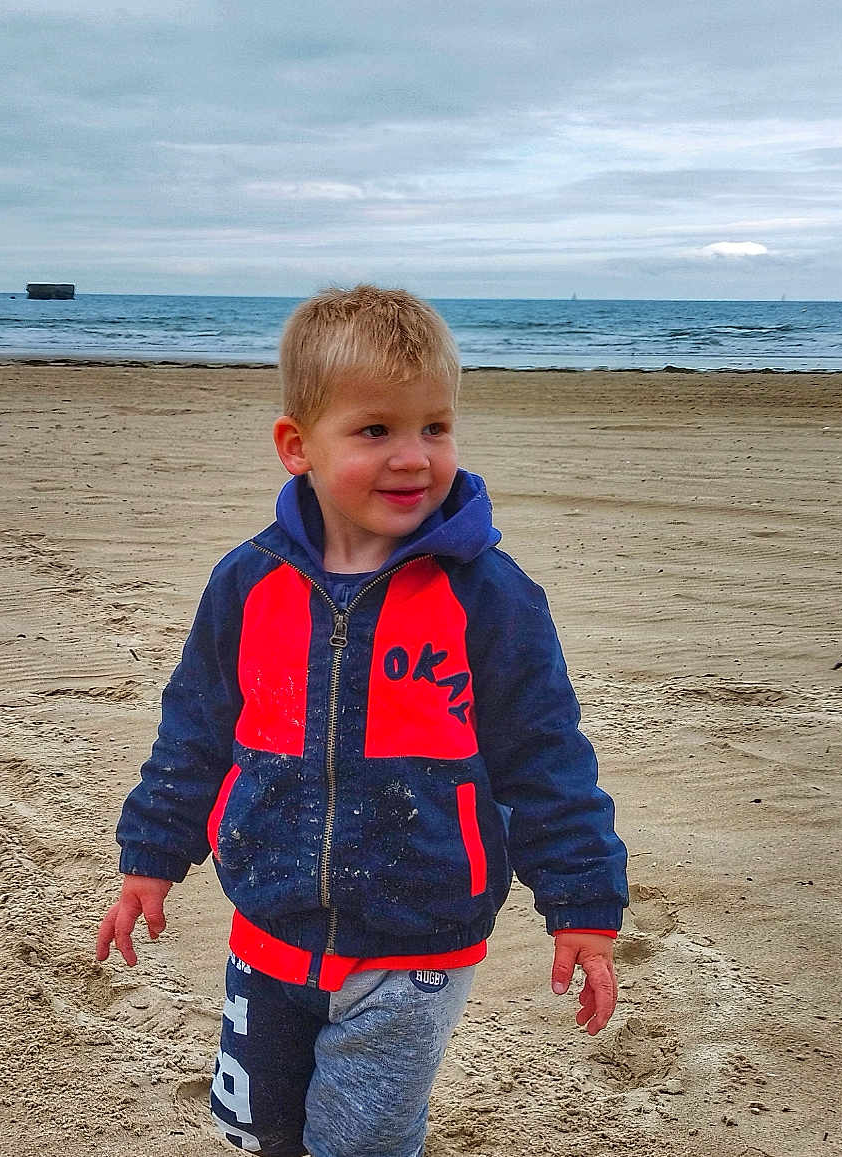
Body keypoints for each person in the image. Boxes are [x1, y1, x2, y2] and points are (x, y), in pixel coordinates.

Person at [96, 285, 629, 1157]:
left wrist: (582, 905)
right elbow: (193, 732)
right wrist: (150, 857)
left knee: (360, 1146)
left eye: (435, 427)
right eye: (375, 429)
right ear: (296, 446)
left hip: (415, 947)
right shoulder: (248, 583)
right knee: (263, 1136)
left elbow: (545, 759)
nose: (413, 457)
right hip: (267, 923)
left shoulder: (490, 596)